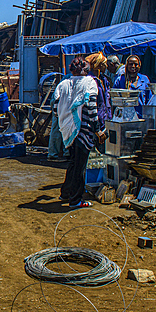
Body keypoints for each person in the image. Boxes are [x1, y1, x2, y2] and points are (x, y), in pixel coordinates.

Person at [54, 58, 98, 209]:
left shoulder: (63, 84)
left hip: (67, 130)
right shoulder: (90, 83)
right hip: (83, 130)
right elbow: (92, 108)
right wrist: (97, 129)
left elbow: (55, 109)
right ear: (86, 70)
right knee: (80, 166)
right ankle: (75, 200)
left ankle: (66, 193)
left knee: (73, 162)